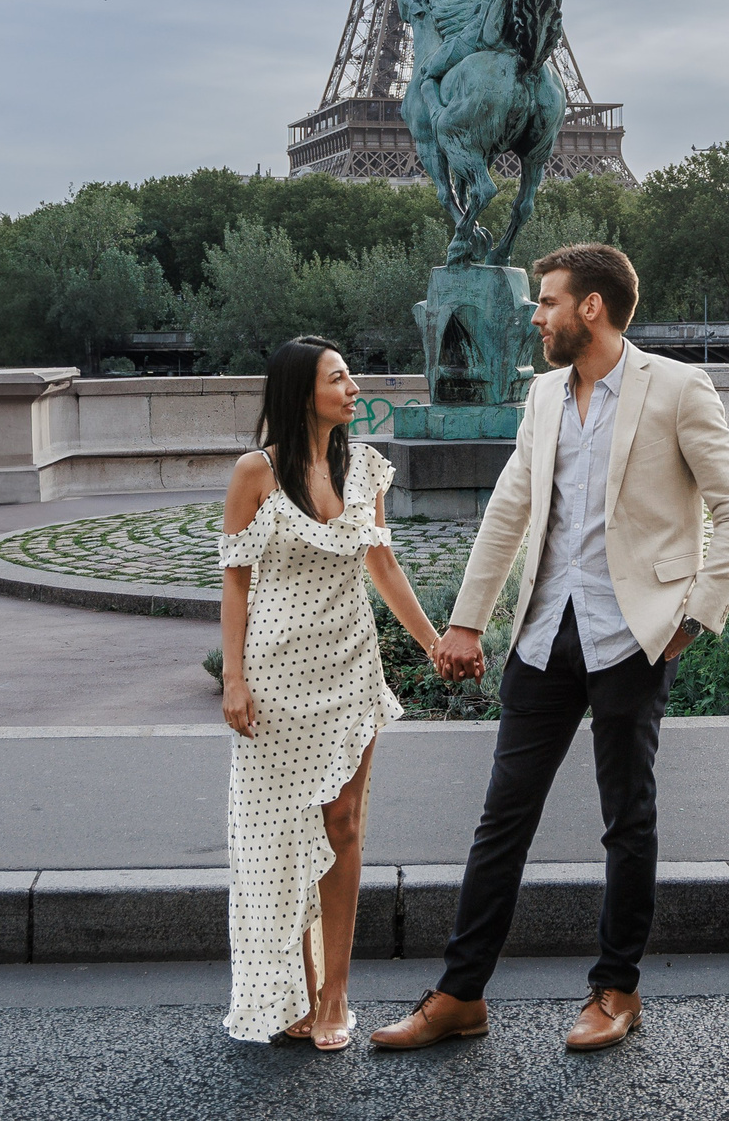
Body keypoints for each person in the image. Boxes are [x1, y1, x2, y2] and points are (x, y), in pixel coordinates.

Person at [370, 244, 729, 1054]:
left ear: (591, 307)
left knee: (628, 821)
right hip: (543, 638)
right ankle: (459, 994)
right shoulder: (544, 393)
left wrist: (691, 620)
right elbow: (510, 510)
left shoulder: (678, 389)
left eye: (547, 302)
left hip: (634, 639)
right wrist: (468, 622)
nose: (535, 317)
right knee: (501, 822)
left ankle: (616, 990)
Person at [217, 336, 447, 1049]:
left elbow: (383, 567)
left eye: (350, 376)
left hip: (349, 664)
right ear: (301, 391)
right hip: (277, 676)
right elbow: (234, 578)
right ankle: (287, 985)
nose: (353, 388)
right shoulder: (255, 473)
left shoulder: (366, 467)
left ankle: (335, 993)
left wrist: (435, 642)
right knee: (278, 836)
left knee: (343, 824)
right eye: (338, 378)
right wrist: (233, 676)